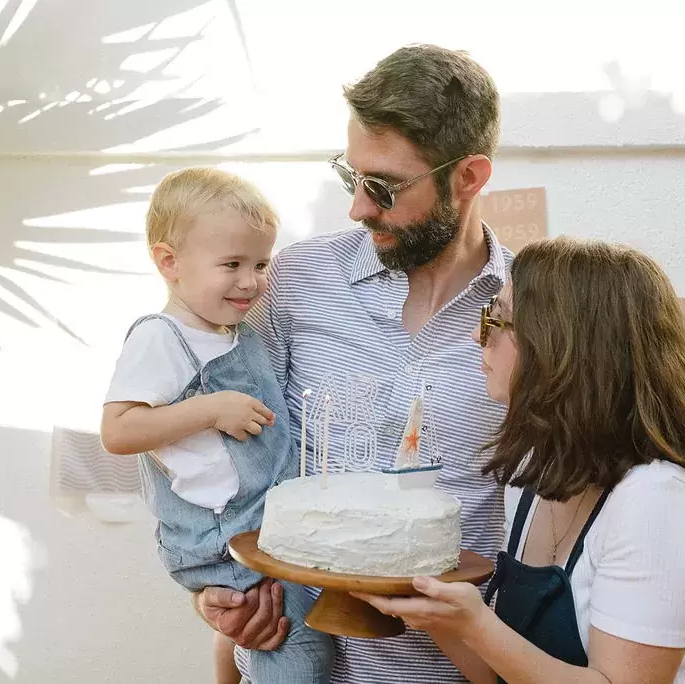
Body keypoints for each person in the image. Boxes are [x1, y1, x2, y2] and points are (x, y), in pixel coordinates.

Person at [192, 44, 512, 683]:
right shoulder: (291, 281)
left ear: (470, 177)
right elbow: (217, 450)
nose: (359, 207)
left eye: (385, 187)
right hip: (293, 662)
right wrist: (216, 592)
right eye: (351, 177)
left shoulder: (528, 312)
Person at [357, 237, 685, 684]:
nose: (476, 335)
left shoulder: (657, 504)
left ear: (563, 350)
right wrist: (436, 612)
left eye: (497, 320)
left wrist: (475, 623)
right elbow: (501, 675)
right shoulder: (535, 476)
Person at [99, 167, 334, 684]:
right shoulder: (162, 337)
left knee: (309, 633)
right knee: (295, 645)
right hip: (227, 541)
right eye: (231, 264)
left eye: (260, 263)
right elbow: (118, 431)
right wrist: (210, 409)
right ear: (169, 262)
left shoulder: (233, 331)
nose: (251, 280)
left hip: (264, 530)